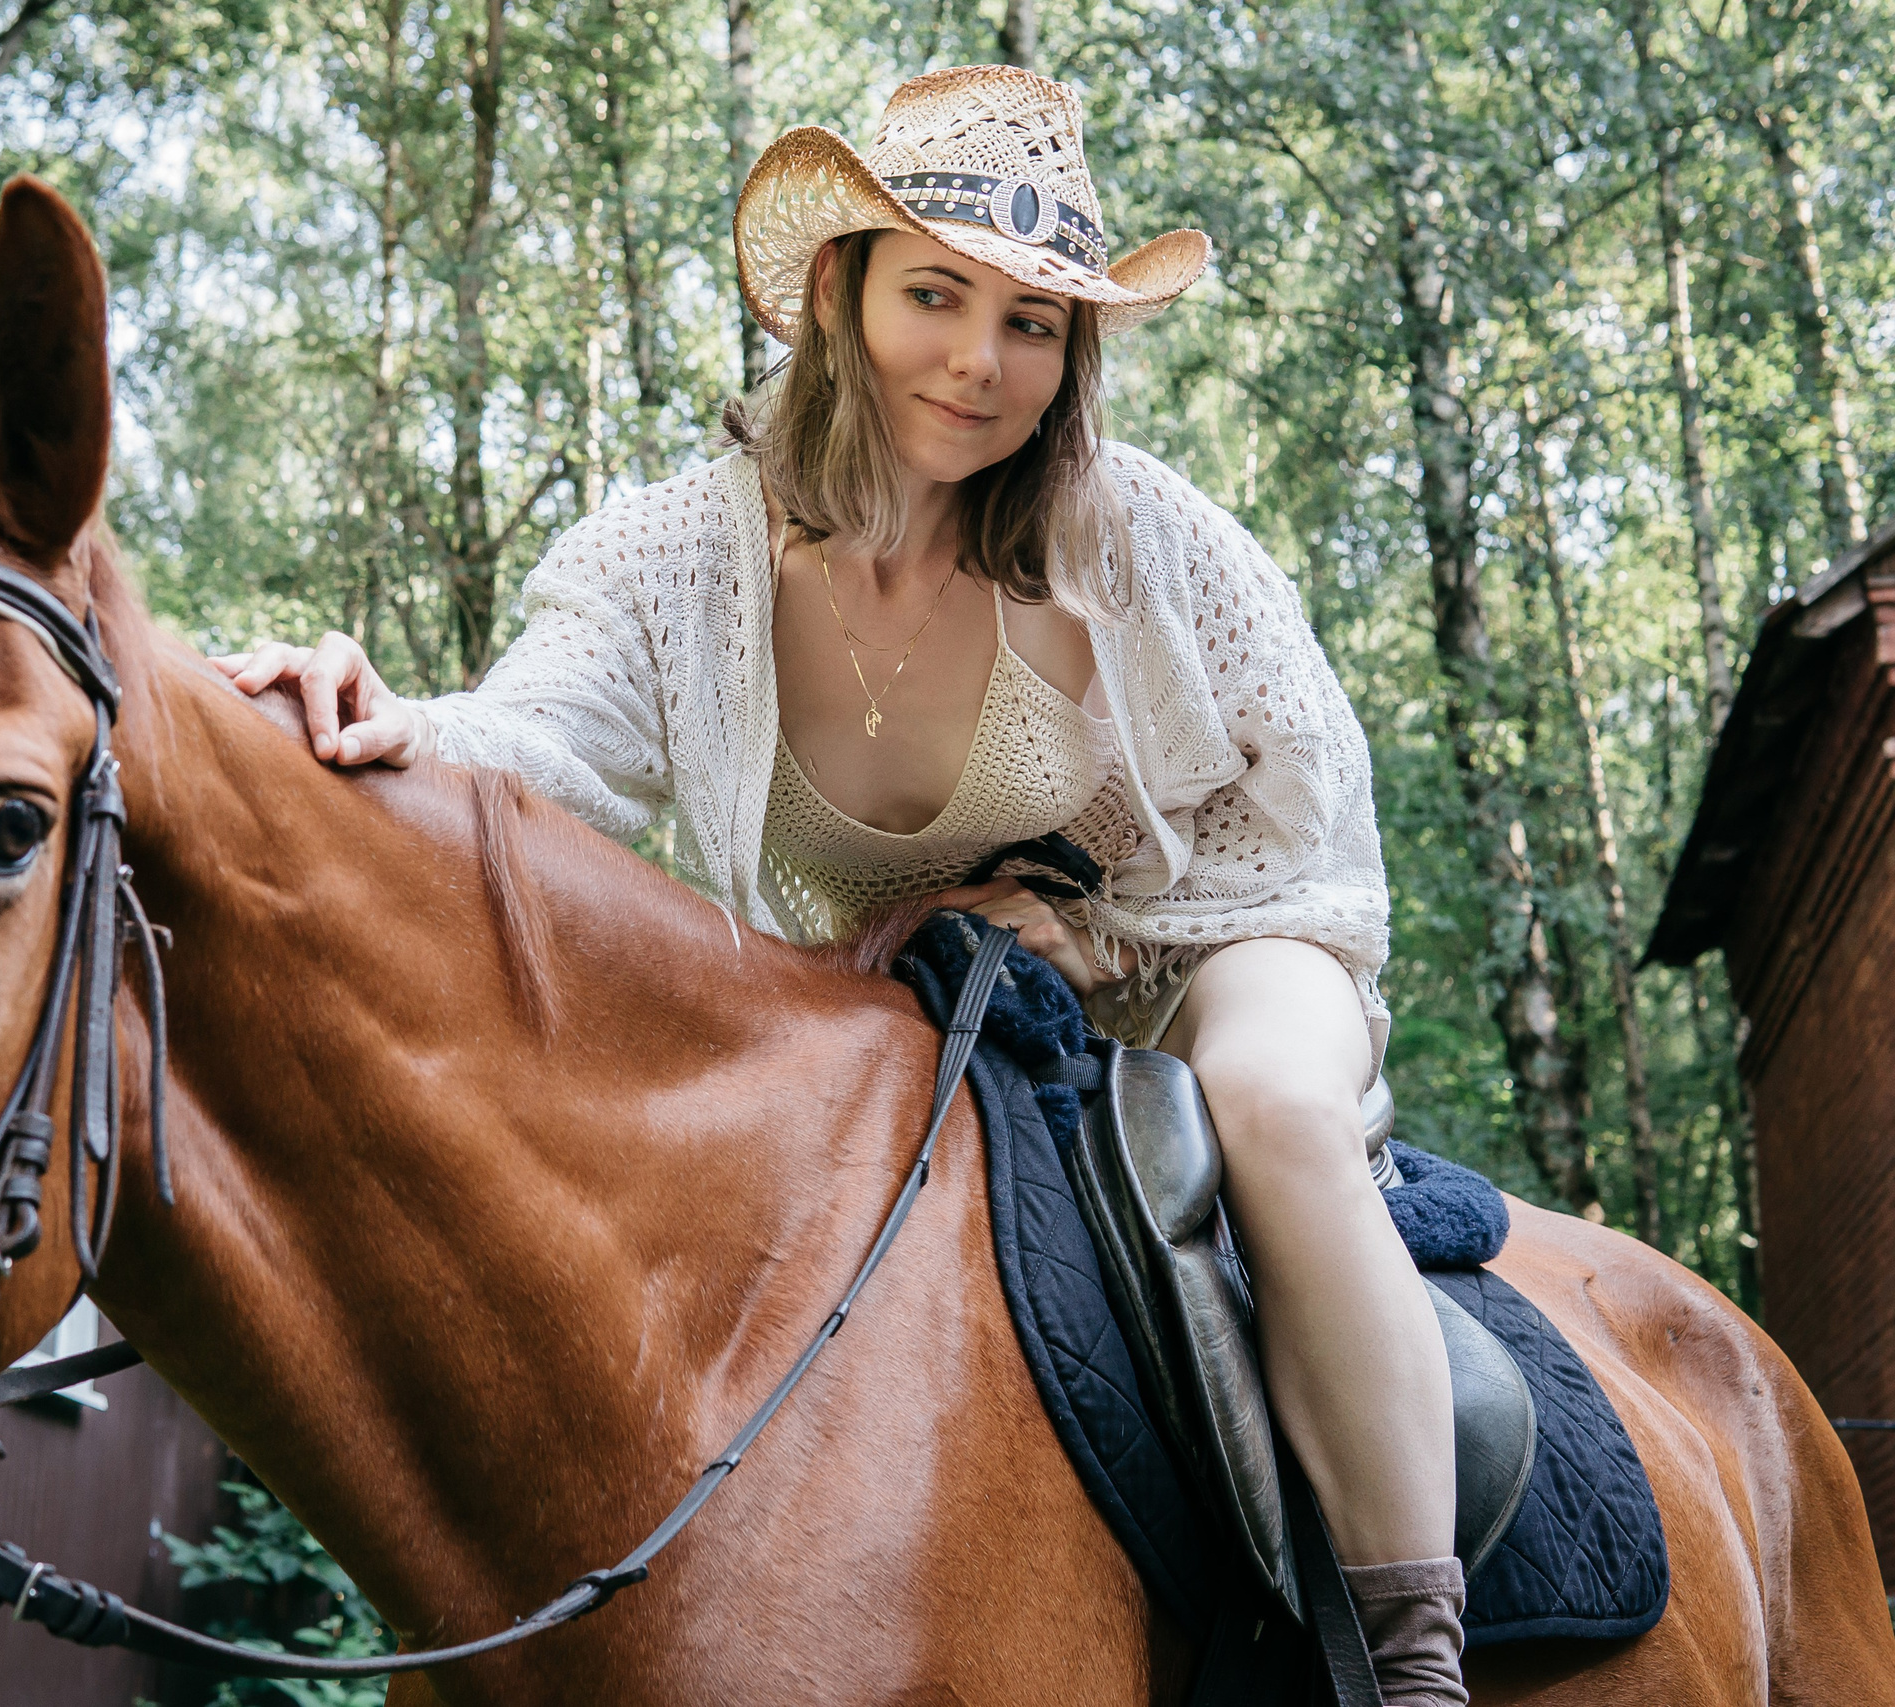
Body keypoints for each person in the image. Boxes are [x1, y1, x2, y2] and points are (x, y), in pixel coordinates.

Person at [220, 65, 1466, 1706]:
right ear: (840, 290)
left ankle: (1413, 1646)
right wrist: (368, 714)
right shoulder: (675, 556)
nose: (980, 359)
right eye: (937, 294)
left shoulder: (1140, 538)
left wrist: (1098, 932)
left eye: (1033, 322)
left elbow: (1307, 797)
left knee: (1275, 1114)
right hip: (914, 1013)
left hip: (1215, 945)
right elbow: (528, 743)